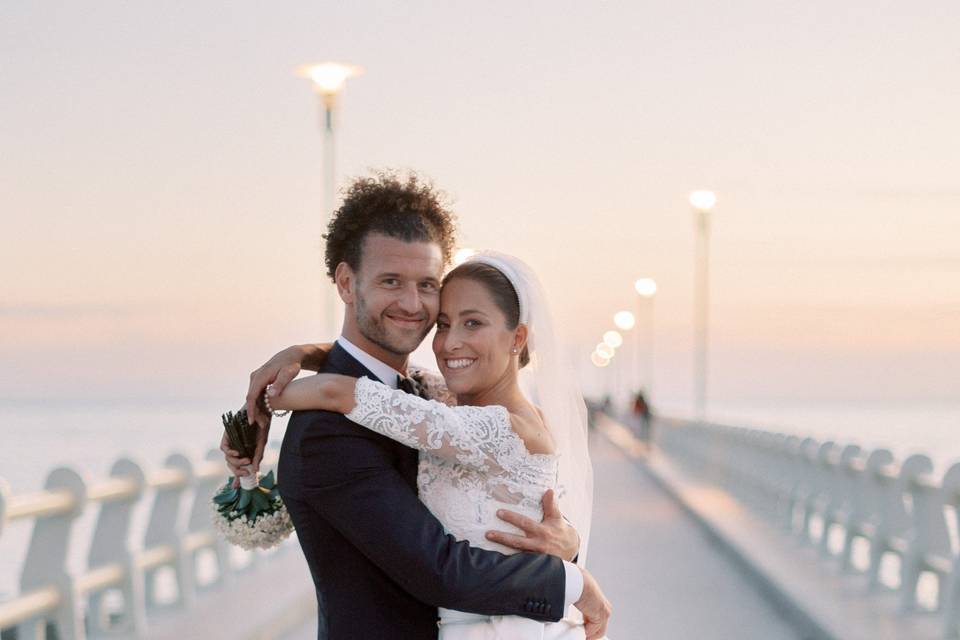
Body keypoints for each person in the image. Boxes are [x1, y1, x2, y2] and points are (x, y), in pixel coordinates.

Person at [221, 171, 611, 639]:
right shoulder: (328, 431)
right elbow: (439, 569)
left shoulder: (423, 394)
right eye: (391, 281)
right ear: (346, 282)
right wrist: (572, 582)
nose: (412, 303)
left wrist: (565, 545)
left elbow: (501, 501)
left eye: (427, 285)